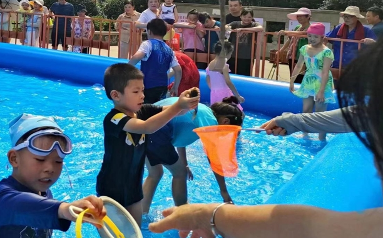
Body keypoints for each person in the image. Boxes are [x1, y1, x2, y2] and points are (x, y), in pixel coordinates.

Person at [147, 34, 383, 238]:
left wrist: (209, 214)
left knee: (157, 173)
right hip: (158, 131)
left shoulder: (205, 110)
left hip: (148, 127)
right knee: (170, 172)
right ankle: (165, 209)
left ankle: (149, 210)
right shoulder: (207, 118)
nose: (373, 159)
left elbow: (309, 226)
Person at [95, 63, 200, 227]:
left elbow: (174, 111)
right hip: (111, 189)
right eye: (136, 92)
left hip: (133, 188)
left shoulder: (142, 111)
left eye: (142, 90)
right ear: (116, 95)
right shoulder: (113, 119)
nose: (142, 95)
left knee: (134, 231)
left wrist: (185, 103)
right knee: (114, 233)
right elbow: (147, 127)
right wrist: (178, 107)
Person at [0, 113, 106, 237]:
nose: (50, 169)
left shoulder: (45, 193)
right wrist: (65, 209)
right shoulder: (3, 197)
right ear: (14, 159)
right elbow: (19, 205)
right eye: (40, 160)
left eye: (58, 161)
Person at [142, 96, 245, 214]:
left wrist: (185, 164)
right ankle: (182, 214)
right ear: (225, 121)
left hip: (143, 127)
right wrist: (224, 192)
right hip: (156, 130)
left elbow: (181, 137)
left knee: (155, 174)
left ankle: (141, 214)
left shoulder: (201, 111)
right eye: (228, 132)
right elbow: (214, 158)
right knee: (179, 174)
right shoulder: (210, 121)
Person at [290, 23, 336, 141]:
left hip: (323, 83)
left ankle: (322, 139)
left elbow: (325, 72)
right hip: (308, 81)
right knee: (306, 110)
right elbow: (299, 65)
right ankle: (305, 135)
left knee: (320, 114)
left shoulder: (327, 52)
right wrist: (291, 81)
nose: (312, 39)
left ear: (322, 37)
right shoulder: (305, 48)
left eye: (315, 36)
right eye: (310, 36)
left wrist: (321, 91)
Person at [129, 18, 182, 103]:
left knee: (145, 112)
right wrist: (175, 86)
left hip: (148, 86)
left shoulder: (148, 44)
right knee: (158, 110)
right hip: (163, 87)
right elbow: (178, 70)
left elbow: (136, 57)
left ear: (149, 31)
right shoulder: (169, 50)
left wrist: (126, 69)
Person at [206, 41, 245, 110]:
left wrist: (214, 89)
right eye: (230, 53)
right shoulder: (224, 66)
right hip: (225, 94)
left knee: (218, 113)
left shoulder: (210, 65)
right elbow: (228, 81)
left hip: (214, 94)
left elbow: (208, 79)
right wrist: (237, 96)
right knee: (239, 113)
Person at [278, 7, 311, 84]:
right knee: (293, 77)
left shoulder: (311, 28)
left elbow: (304, 34)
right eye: (298, 16)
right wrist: (281, 50)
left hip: (304, 58)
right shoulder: (297, 27)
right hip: (292, 56)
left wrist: (286, 32)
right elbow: (290, 39)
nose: (299, 17)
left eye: (302, 16)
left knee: (300, 79)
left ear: (308, 17)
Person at [226, 8, 263, 76]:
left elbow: (260, 28)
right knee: (231, 75)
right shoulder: (235, 23)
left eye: (249, 17)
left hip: (247, 57)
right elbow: (226, 26)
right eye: (245, 16)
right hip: (233, 55)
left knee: (245, 75)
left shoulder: (254, 24)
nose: (247, 19)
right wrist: (226, 28)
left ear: (252, 17)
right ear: (241, 16)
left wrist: (243, 29)